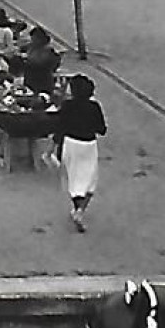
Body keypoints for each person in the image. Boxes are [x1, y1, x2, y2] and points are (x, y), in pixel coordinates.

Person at [53, 74, 107, 232]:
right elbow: (102, 130)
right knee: (89, 181)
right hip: (88, 146)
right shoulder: (94, 107)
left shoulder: (67, 105)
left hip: (70, 145)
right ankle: (80, 211)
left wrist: (53, 146)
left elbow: (60, 126)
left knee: (74, 180)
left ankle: (76, 208)